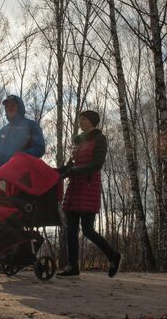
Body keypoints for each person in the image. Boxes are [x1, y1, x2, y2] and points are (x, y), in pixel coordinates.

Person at [57, 110, 122, 278]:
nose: (81, 122)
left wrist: (73, 171)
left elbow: (97, 164)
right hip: (74, 189)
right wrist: (56, 172)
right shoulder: (78, 143)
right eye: (80, 120)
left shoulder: (100, 139)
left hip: (88, 187)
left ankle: (113, 256)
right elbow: (71, 165)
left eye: (84, 120)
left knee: (87, 231)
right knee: (70, 230)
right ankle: (72, 267)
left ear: (92, 121)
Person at [0, 94, 46, 274]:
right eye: (7, 106)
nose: (10, 108)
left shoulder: (30, 125)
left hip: (23, 179)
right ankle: (5, 259)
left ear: (19, 106)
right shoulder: (3, 129)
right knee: (3, 216)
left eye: (13, 105)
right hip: (4, 178)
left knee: (19, 216)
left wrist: (20, 158)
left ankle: (20, 257)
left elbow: (40, 148)